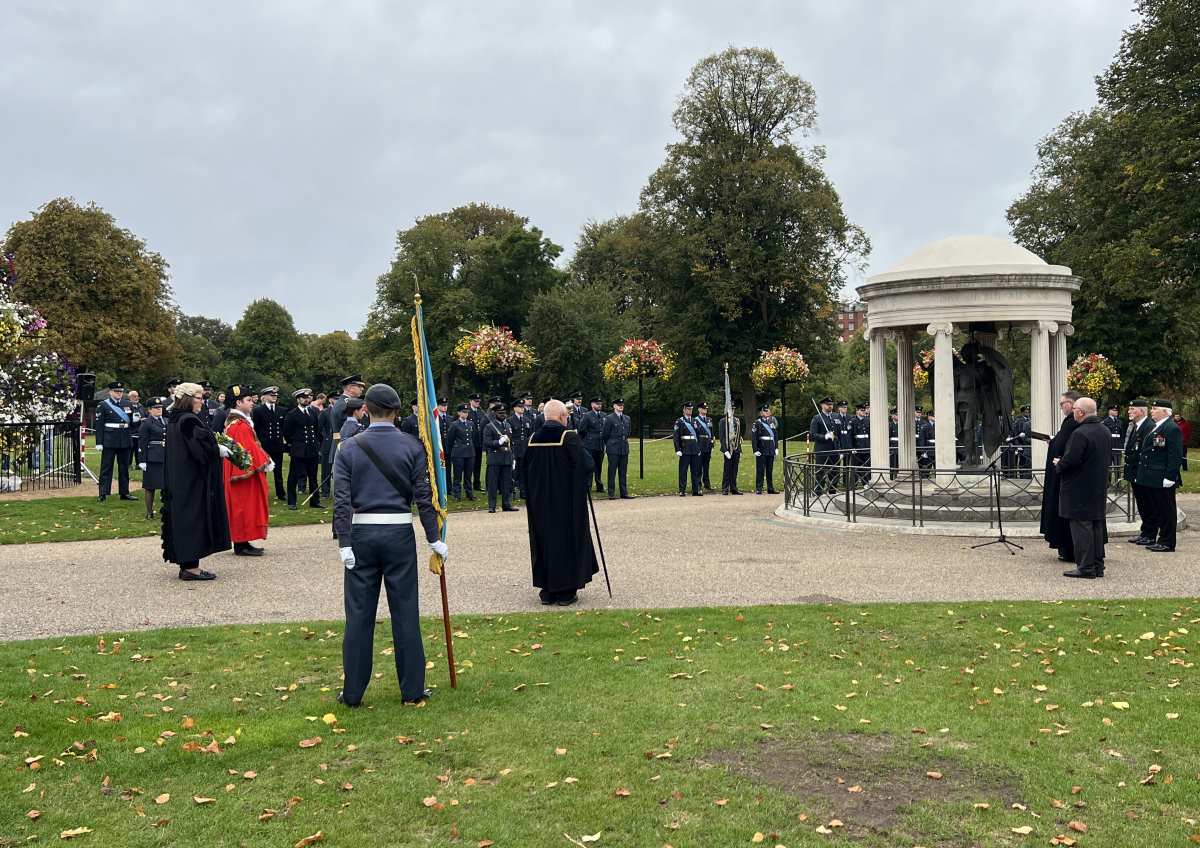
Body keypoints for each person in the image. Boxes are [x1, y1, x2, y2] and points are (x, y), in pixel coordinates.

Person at [333, 382, 445, 707]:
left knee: (358, 616)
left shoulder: (349, 448)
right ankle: (412, 690)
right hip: (398, 535)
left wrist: (343, 541)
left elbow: (341, 501)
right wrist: (434, 538)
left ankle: (352, 692)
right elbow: (424, 499)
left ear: (366, 409)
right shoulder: (412, 446)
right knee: (405, 613)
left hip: (361, 535)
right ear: (396, 412)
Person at [523, 399, 599, 606]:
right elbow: (587, 464)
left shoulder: (532, 439)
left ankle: (547, 589)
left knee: (544, 541)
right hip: (566, 504)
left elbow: (524, 472)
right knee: (566, 542)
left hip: (540, 505)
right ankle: (565, 591)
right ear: (562, 417)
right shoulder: (569, 437)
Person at [161, 382, 231, 581]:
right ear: (189, 399)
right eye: (199, 397)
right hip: (192, 479)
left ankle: (187, 563)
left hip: (181, 478)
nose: (202, 401)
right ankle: (191, 567)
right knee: (193, 518)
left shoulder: (176, 419)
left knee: (184, 518)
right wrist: (216, 450)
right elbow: (200, 450)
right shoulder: (189, 420)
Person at [1055, 398, 1111, 578]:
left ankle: (1086, 567)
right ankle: (1097, 565)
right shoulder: (1104, 430)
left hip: (1079, 487)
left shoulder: (1080, 433)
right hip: (1097, 486)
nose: (1073, 413)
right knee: (1095, 525)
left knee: (1081, 527)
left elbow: (1072, 460)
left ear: (1081, 412)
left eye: (1075, 409)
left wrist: (1059, 463)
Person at [221, 385, 272, 557]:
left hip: (240, 471)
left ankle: (243, 541)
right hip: (242, 474)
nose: (252, 403)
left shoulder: (238, 422)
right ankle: (241, 544)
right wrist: (265, 460)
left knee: (243, 507)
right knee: (243, 507)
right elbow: (247, 449)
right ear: (238, 402)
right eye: (249, 400)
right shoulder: (239, 425)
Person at [1135, 399, 1184, 553]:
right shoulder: (1158, 426)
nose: (1152, 411)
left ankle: (1167, 542)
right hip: (1153, 476)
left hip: (1162, 477)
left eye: (1155, 408)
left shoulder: (1171, 428)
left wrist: (1170, 476)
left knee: (1166, 511)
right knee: (1159, 509)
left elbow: (1175, 455)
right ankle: (1161, 539)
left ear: (1165, 411)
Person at [1040, 392, 1080, 563]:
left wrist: (1054, 443)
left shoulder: (1072, 422)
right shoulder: (1070, 421)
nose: (1061, 406)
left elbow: (1062, 445)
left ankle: (1068, 549)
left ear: (1071, 404)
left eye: (1062, 403)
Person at [95, 380, 138, 502]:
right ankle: (103, 493)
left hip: (124, 438)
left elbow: (132, 423)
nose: (119, 393)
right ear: (110, 392)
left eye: (120, 391)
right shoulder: (103, 405)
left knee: (124, 467)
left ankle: (124, 492)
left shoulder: (127, 404)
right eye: (116, 391)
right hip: (109, 439)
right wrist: (99, 442)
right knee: (106, 467)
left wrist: (136, 420)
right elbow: (99, 425)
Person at [284, 388, 322, 509]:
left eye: (308, 397)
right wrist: (295, 444)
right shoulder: (292, 414)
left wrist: (316, 444)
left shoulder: (312, 412)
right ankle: (292, 502)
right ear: (298, 399)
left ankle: (315, 501)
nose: (306, 400)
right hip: (299, 450)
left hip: (312, 449)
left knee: (313, 477)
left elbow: (316, 430)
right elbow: (287, 433)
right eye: (304, 398)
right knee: (294, 476)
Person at [1123, 400, 1155, 545]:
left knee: (1148, 503)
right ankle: (1145, 532)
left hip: (1142, 472)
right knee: (1142, 503)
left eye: (1132, 409)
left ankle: (1150, 533)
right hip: (1135, 471)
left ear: (1142, 411)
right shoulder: (1137, 426)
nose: (1129, 411)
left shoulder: (1148, 426)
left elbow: (1146, 451)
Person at [252, 387, 288, 500]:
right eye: (272, 395)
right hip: (264, 446)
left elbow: (283, 428)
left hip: (277, 445)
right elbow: (256, 428)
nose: (274, 397)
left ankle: (280, 493)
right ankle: (262, 492)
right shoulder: (258, 410)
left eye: (275, 395)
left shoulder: (282, 410)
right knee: (263, 470)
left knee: (278, 471)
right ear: (265, 396)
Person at [483, 403, 518, 513]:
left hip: (507, 457)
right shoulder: (489, 426)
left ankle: (506, 504)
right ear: (495, 414)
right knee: (493, 483)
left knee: (506, 483)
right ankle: (492, 505)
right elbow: (487, 442)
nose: (503, 415)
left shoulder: (507, 425)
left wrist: (513, 458)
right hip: (495, 458)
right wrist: (498, 442)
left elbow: (511, 443)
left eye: (504, 413)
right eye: (500, 413)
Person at [137, 397, 167, 519]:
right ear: (149, 410)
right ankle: (149, 512)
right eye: (156, 408)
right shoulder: (147, 424)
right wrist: (142, 460)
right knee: (150, 486)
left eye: (160, 408)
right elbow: (142, 443)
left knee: (166, 485)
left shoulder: (166, 421)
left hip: (165, 456)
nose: (159, 410)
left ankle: (166, 510)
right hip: (152, 457)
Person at [601, 398, 634, 499]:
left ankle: (624, 493)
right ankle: (611, 493)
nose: (621, 406)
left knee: (623, 471)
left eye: (622, 404)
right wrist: (611, 444)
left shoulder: (627, 418)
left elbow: (628, 432)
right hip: (613, 448)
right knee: (612, 470)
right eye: (618, 404)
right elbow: (605, 434)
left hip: (624, 447)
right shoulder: (609, 418)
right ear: (614, 406)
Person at [445, 404, 477, 500]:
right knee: (457, 475)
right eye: (463, 412)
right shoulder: (454, 424)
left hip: (470, 452)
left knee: (468, 475)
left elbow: (473, 437)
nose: (466, 414)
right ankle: (457, 494)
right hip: (458, 453)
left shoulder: (471, 424)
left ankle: (469, 493)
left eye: (467, 412)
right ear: (459, 413)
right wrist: (451, 452)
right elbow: (449, 439)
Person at [673, 401, 703, 496]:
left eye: (691, 409)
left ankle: (696, 490)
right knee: (683, 471)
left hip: (694, 449)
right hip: (685, 449)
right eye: (688, 409)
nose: (689, 411)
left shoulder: (695, 421)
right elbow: (676, 437)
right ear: (684, 410)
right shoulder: (680, 421)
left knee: (695, 471)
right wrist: (677, 449)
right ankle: (682, 490)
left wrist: (699, 449)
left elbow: (698, 436)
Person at [578, 397, 607, 494]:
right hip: (589, 445)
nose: (599, 405)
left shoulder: (604, 415)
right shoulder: (587, 416)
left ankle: (599, 485)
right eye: (597, 404)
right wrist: (587, 440)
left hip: (600, 445)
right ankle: (588, 486)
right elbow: (581, 430)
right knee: (589, 466)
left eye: (600, 404)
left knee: (599, 466)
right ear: (592, 405)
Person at [809, 397, 838, 494]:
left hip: (834, 449)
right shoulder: (817, 418)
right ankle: (818, 492)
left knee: (834, 472)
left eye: (831, 404)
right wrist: (825, 436)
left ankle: (833, 491)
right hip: (822, 450)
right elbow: (812, 434)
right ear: (822, 405)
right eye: (828, 404)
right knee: (820, 472)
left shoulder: (835, 417)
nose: (830, 406)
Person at [752, 404, 779, 495]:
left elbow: (775, 436)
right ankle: (759, 488)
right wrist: (755, 450)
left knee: (769, 470)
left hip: (771, 449)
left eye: (768, 411)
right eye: (765, 411)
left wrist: (776, 448)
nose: (767, 412)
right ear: (761, 412)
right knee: (760, 469)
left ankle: (770, 488)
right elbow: (754, 437)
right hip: (762, 448)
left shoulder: (772, 422)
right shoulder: (757, 423)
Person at [509, 398, 533, 500]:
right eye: (519, 407)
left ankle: (523, 490)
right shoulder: (510, 420)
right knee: (515, 470)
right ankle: (513, 489)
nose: (522, 408)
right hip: (515, 448)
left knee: (523, 470)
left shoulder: (527, 420)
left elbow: (529, 434)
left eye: (523, 407)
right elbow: (509, 436)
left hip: (524, 448)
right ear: (515, 408)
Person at [719, 403, 743, 495]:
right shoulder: (723, 421)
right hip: (728, 448)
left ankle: (733, 487)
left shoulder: (737, 420)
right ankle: (725, 488)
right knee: (727, 468)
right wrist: (725, 450)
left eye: (733, 409)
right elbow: (722, 437)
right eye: (730, 409)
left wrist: (739, 447)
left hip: (736, 448)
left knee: (735, 469)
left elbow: (738, 435)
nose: (732, 411)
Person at [465, 393, 485, 492]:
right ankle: (467, 485)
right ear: (471, 401)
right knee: (469, 465)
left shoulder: (481, 412)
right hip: (470, 443)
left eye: (478, 401)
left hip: (479, 442)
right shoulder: (466, 412)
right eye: (475, 401)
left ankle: (477, 484)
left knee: (478, 464)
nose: (477, 403)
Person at [695, 401, 716, 491]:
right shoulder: (695, 420)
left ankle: (707, 484)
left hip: (708, 445)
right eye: (703, 408)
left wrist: (712, 442)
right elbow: (695, 433)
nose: (705, 410)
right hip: (700, 444)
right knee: (699, 466)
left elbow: (711, 432)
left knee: (706, 466)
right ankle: (698, 484)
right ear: (699, 409)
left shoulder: (709, 419)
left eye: (706, 409)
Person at [849, 402, 870, 485]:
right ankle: (853, 485)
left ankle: (866, 483)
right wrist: (852, 448)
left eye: (864, 410)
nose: (864, 412)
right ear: (857, 411)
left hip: (866, 448)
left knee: (867, 468)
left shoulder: (867, 420)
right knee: (855, 468)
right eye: (862, 410)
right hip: (857, 449)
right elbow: (849, 437)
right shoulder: (852, 421)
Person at [1100, 404, 1125, 473]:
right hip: (1109, 446)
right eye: (1114, 410)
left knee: (1118, 466)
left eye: (1116, 410)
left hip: (1118, 446)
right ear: (1109, 411)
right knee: (1109, 466)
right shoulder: (1105, 422)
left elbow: (1122, 435)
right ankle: (1108, 483)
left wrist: (1122, 445)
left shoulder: (1120, 421)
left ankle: (1118, 482)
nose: (1116, 412)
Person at [127, 390, 144, 465]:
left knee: (139, 449)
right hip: (130, 432)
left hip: (140, 431)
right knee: (130, 449)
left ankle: (138, 464)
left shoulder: (141, 406)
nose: (136, 398)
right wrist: (137, 420)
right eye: (134, 396)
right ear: (129, 397)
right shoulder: (126, 406)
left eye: (137, 396)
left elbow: (144, 415)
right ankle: (129, 464)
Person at [888, 409, 900, 478]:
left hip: (899, 448)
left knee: (899, 465)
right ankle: (891, 478)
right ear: (892, 416)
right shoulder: (890, 425)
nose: (898, 416)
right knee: (892, 465)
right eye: (896, 415)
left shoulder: (901, 425)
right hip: (892, 448)